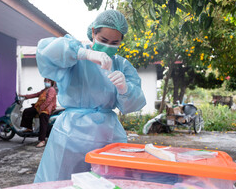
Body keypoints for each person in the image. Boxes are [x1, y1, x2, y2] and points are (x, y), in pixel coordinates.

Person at [34, 10, 146, 182]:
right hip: (71, 135)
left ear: (121, 41)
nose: (108, 46)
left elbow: (134, 102)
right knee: (64, 182)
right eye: (103, 40)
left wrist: (125, 89)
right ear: (93, 33)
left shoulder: (122, 65)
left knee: (106, 181)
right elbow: (45, 51)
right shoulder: (75, 55)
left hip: (107, 136)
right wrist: (84, 54)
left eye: (114, 42)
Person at [19, 78, 57, 148]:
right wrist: (25, 96)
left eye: (48, 81)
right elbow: (36, 94)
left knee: (43, 118)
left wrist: (42, 108)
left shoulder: (51, 89)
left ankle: (42, 141)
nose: (46, 82)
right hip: (39, 107)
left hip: (47, 108)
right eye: (45, 81)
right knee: (27, 111)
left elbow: (49, 100)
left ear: (51, 82)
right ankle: (29, 128)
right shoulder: (45, 90)